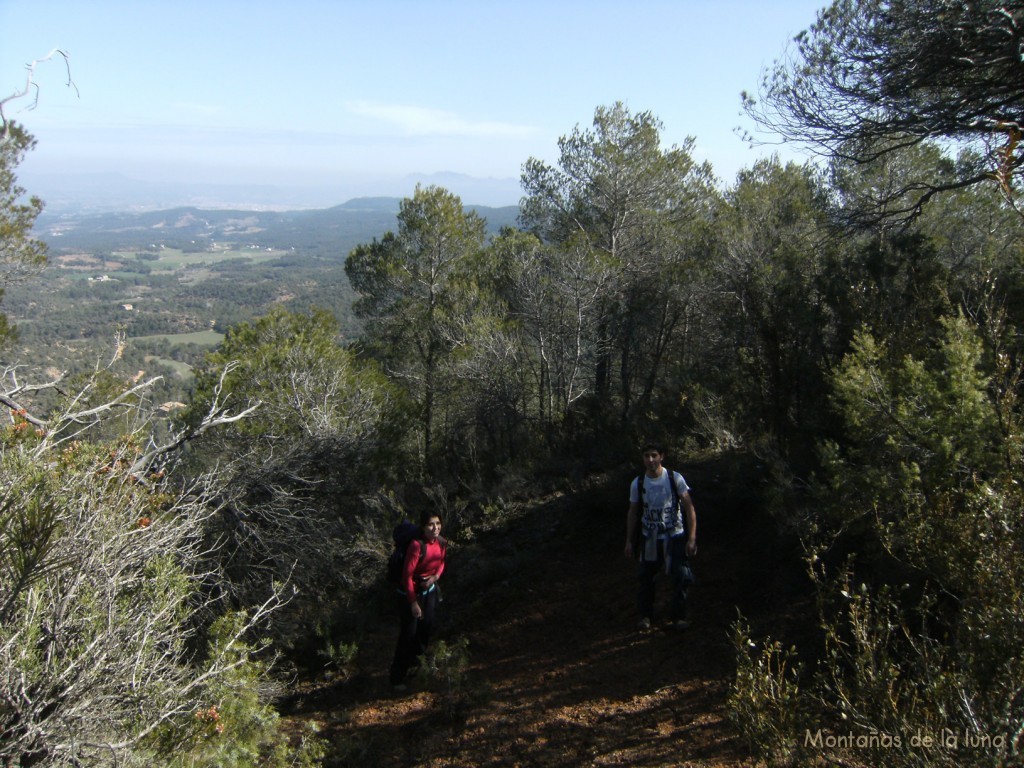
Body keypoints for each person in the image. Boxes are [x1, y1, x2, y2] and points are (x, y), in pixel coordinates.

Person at [624, 443, 697, 630]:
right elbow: (632, 512)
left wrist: (692, 537)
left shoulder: (674, 478)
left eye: (654, 455)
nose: (650, 460)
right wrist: (629, 540)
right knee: (645, 577)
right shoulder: (638, 483)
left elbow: (689, 508)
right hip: (650, 537)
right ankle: (645, 616)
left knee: (680, 574)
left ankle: (678, 617)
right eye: (647, 456)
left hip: (675, 535)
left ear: (661, 456)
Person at [390, 512, 446, 690]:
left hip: (428, 591)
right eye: (431, 524)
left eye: (438, 523)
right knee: (408, 635)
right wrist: (413, 603)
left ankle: (418, 667)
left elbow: (442, 563)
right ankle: (396, 678)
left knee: (425, 631)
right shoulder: (416, 546)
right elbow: (407, 576)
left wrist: (434, 578)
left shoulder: (442, 543)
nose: (435, 527)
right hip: (409, 594)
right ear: (423, 527)